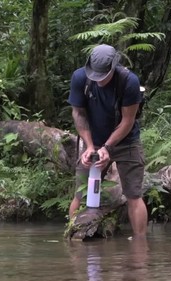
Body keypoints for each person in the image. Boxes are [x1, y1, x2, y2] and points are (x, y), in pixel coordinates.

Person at [67, 44, 148, 237]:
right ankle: (73, 239)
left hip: (126, 141)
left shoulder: (129, 82)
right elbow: (78, 113)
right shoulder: (80, 78)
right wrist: (89, 147)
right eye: (95, 74)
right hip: (93, 141)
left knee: (134, 195)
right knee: (80, 194)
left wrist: (107, 147)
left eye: (103, 75)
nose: (99, 79)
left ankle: (140, 245)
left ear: (114, 67)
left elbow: (128, 121)